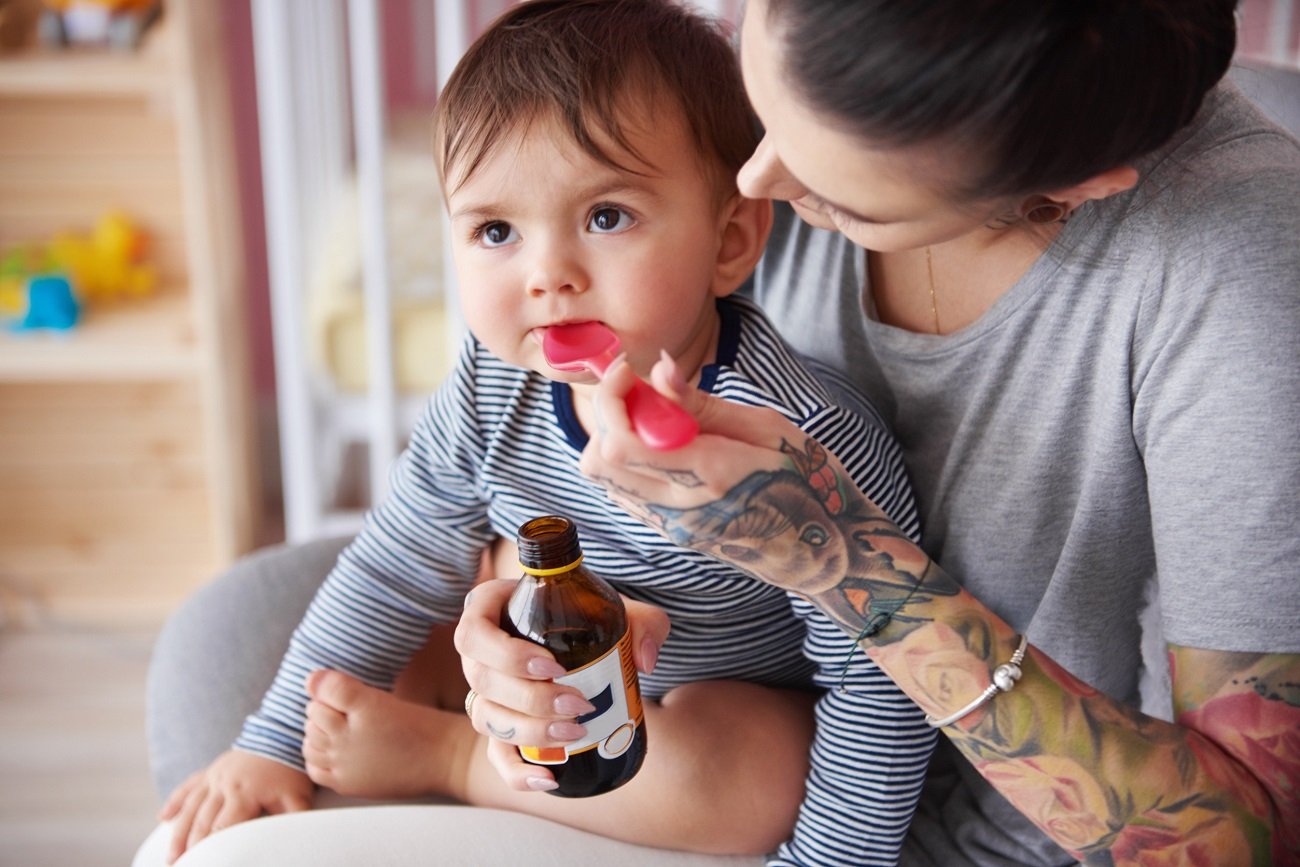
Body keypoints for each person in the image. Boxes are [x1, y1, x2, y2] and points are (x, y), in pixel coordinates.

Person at [135, 0, 1299, 865]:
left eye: (838, 197)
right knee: (227, 657)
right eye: (491, 233)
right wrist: (512, 611)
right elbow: (414, 543)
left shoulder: (1227, 278)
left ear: (1076, 181)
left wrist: (843, 565)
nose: (758, 178)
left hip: (851, 781)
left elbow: (1238, 831)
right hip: (611, 699)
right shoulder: (514, 366)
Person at [146, 1, 933, 865]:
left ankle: (450, 760)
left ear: (730, 240)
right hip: (545, 685)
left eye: (606, 217)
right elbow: (398, 558)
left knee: (756, 765)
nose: (547, 275)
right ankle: (439, 761)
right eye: (495, 231)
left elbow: (880, 681)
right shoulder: (493, 387)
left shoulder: (802, 435)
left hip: (701, 709)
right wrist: (272, 739)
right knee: (359, 686)